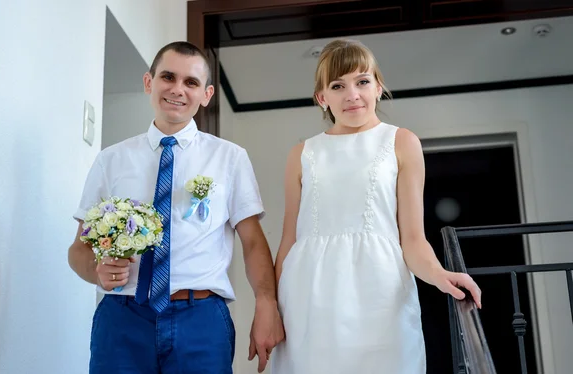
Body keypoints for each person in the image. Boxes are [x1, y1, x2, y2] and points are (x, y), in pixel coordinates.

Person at [68, 41, 284, 374]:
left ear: (207, 94)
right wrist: (95, 270)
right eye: (168, 77)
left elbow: (253, 242)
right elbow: (79, 249)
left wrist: (266, 303)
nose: (177, 89)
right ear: (148, 82)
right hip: (123, 317)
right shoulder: (110, 160)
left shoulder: (230, 158)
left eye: (191, 82)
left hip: (201, 319)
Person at [270, 39, 482, 373]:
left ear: (378, 87)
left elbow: (412, 238)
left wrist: (440, 274)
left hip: (379, 294)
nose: (352, 94)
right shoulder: (302, 153)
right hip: (308, 297)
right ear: (322, 98)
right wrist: (270, 308)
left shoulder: (402, 142)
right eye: (338, 86)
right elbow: (288, 241)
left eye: (362, 81)